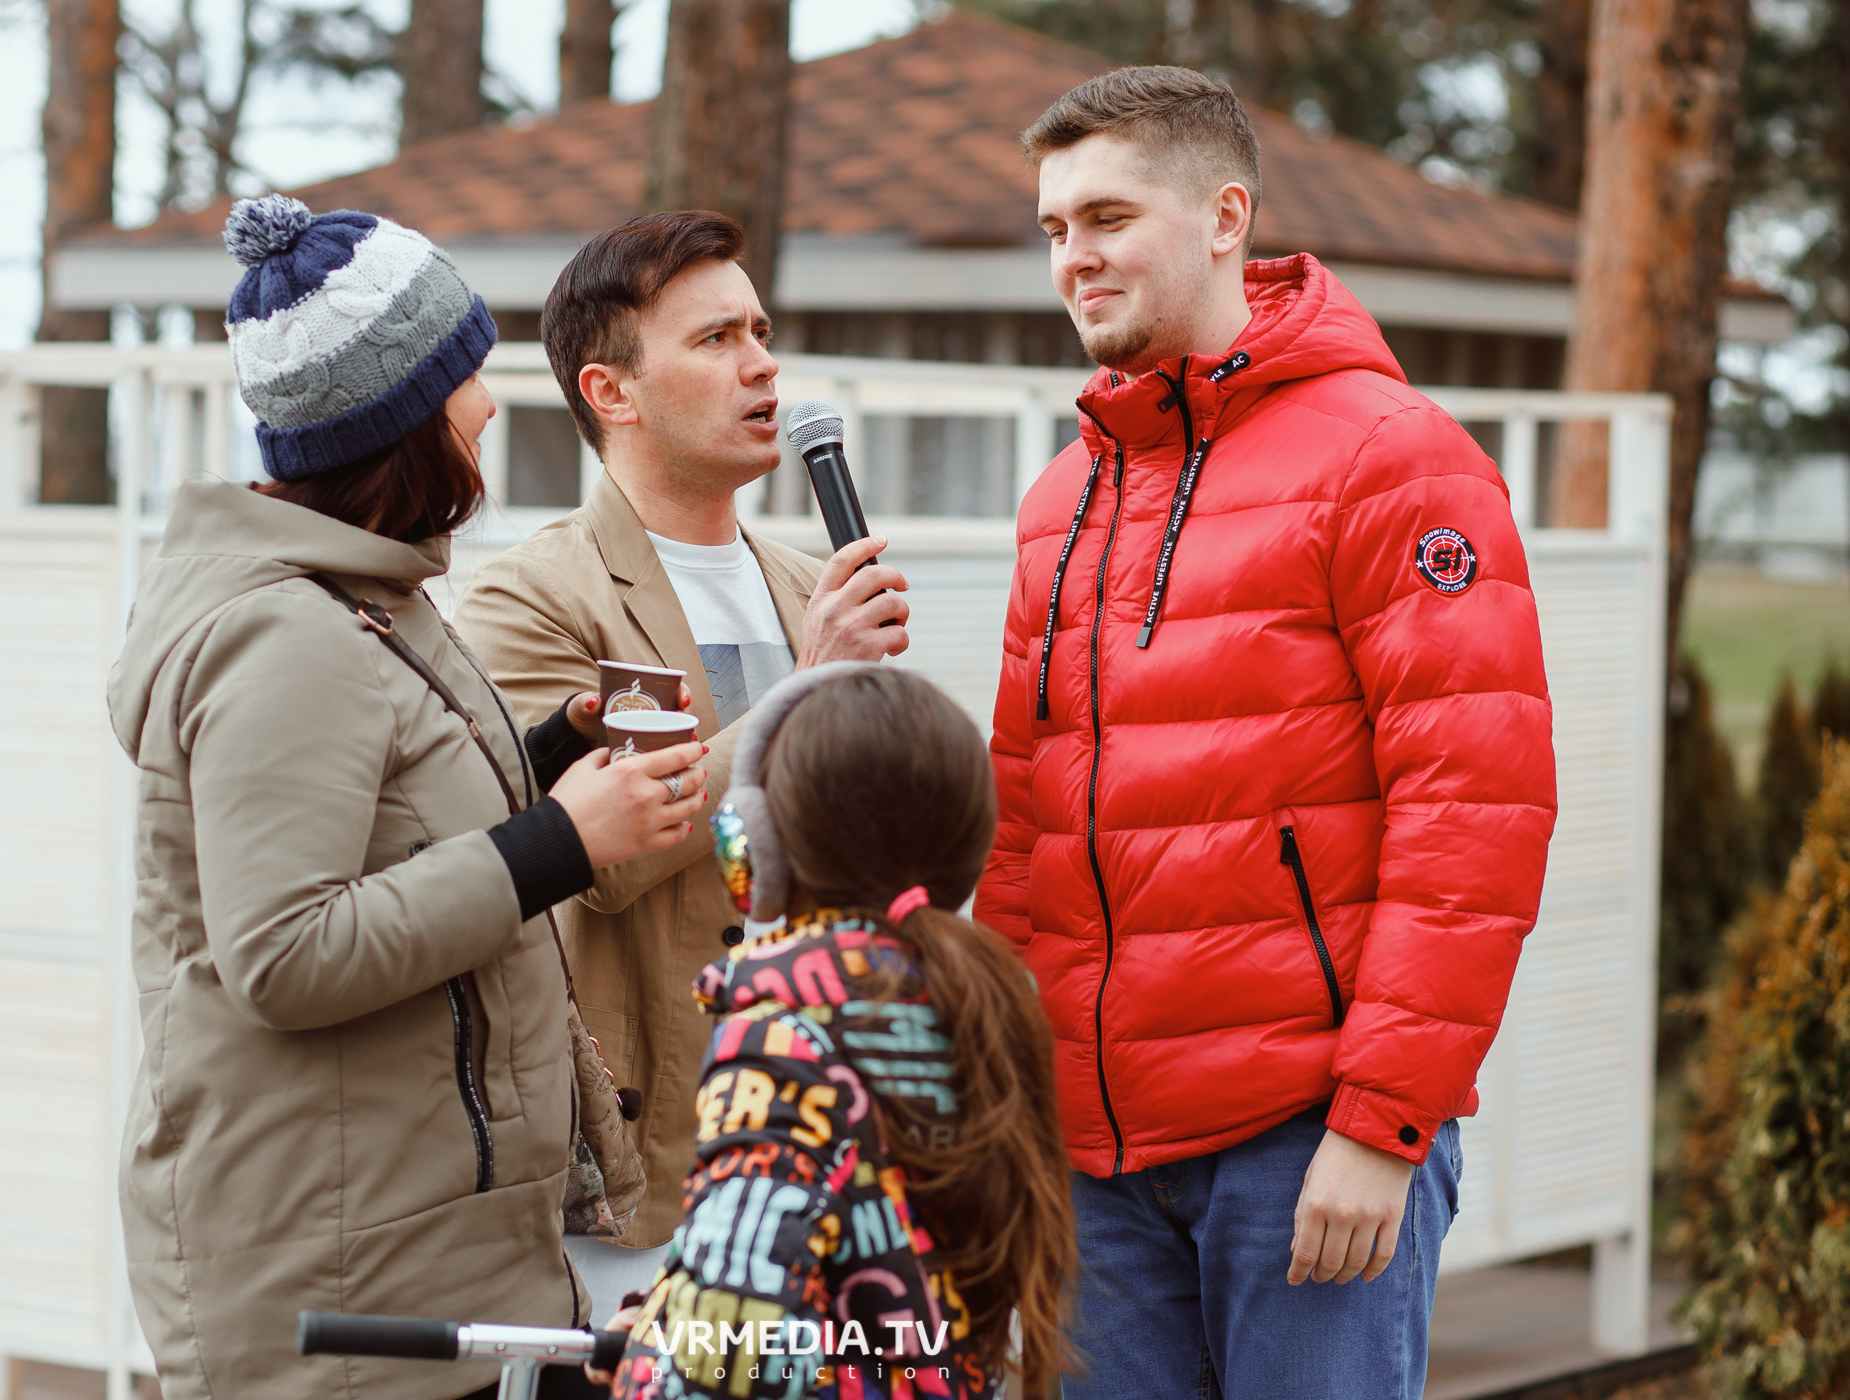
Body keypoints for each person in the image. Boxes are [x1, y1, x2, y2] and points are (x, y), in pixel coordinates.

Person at [975, 68, 1558, 1399]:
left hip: (1303, 1144)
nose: (1075, 256)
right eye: (1057, 226)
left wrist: (1381, 1120)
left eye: (1109, 216)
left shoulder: (1391, 457)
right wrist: (1006, 1110)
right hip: (1090, 1164)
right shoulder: (1061, 500)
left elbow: (1476, 813)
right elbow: (1028, 828)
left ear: (1226, 214)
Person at [106, 194, 708, 1400]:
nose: (487, 406)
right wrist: (562, 842)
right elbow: (284, 950)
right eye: (464, 380)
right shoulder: (283, 632)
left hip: (429, 1254)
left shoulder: (368, 598)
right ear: (398, 420)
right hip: (341, 1302)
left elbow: (390, 818)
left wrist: (545, 751)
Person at [456, 211, 912, 1312]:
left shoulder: (817, 587)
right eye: (715, 340)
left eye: (759, 330)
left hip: (833, 1132)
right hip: (654, 1160)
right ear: (611, 391)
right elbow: (599, 857)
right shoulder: (531, 597)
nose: (760, 362)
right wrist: (806, 689)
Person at [594, 664, 1076, 1400]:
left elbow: (731, 1343)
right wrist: (664, 1320)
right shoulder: (978, 1003)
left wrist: (650, 1361)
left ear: (757, 848)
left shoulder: (783, 1036)